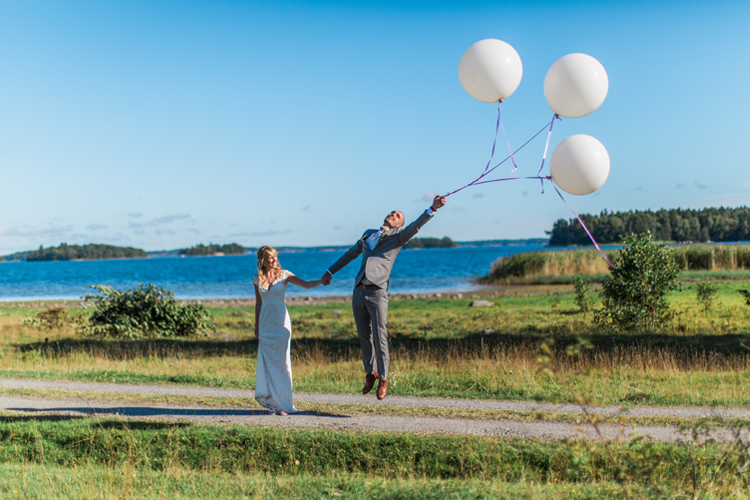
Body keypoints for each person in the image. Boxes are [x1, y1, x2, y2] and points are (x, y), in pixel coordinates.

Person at [320, 195, 447, 400]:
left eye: (397, 216)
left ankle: (384, 378)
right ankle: (370, 373)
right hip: (359, 290)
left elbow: (415, 226)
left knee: (380, 337)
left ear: (399, 224)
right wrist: (330, 271)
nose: (393, 215)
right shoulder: (369, 234)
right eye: (392, 212)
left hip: (378, 292)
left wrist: (432, 208)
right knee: (364, 337)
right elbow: (349, 254)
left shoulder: (399, 236)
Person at [254, 246, 321, 415]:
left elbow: (305, 284)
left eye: (275, 257)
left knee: (283, 363)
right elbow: (259, 303)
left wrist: (321, 280)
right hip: (265, 324)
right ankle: (273, 404)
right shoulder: (257, 279)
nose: (274, 260)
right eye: (269, 257)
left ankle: (285, 404)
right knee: (268, 363)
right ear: (262, 259)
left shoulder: (284, 275)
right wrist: (256, 326)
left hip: (281, 323)